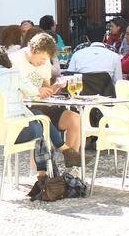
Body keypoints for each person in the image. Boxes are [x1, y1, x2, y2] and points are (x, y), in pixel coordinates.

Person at [0, 47, 71, 178]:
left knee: (38, 114)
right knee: (41, 127)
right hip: (11, 133)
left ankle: (64, 152)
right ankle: (44, 173)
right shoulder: (14, 75)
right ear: (7, 63)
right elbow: (34, 92)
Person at [10, 33, 82, 166]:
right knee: (43, 121)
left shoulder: (45, 62)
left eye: (46, 59)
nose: (43, 62)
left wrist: (56, 87)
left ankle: (71, 169)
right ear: (32, 50)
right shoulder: (14, 61)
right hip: (23, 109)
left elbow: (45, 89)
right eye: (42, 58)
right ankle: (39, 172)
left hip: (42, 105)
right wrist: (36, 92)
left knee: (75, 119)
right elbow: (12, 93)